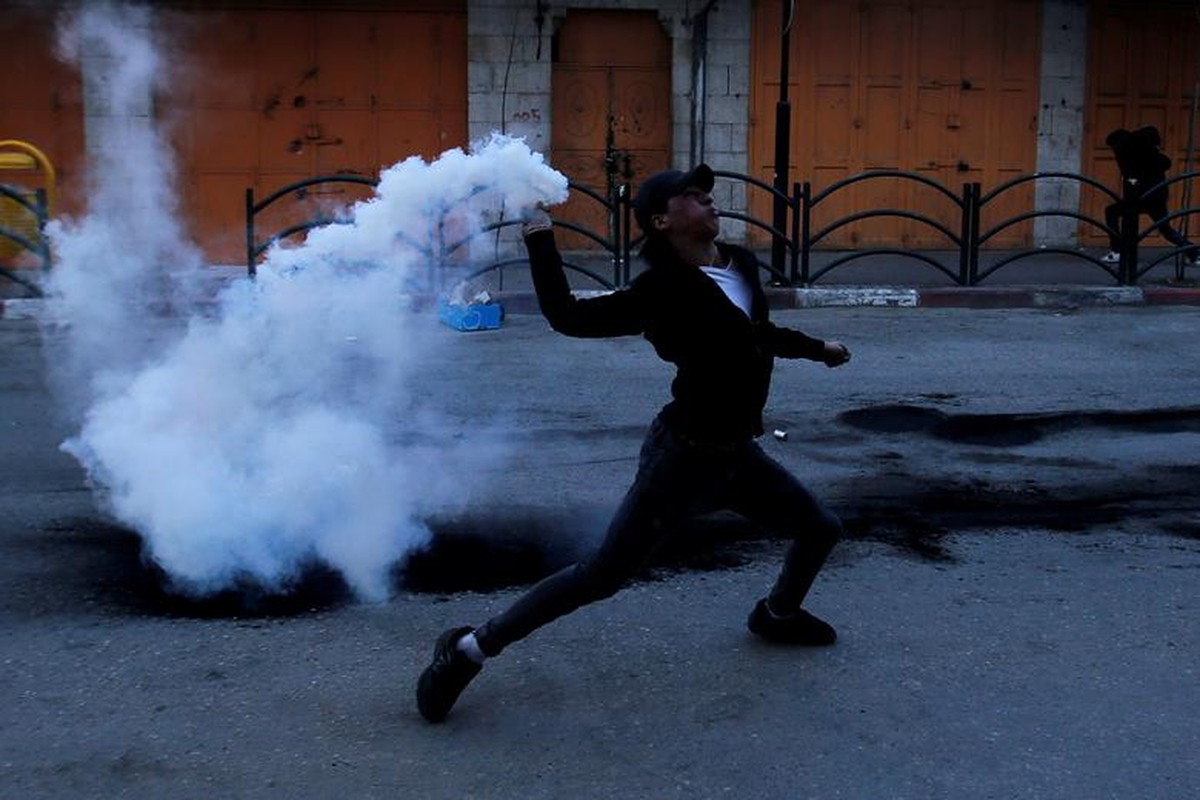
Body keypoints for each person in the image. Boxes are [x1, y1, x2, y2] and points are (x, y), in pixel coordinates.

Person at [416, 164, 852, 723]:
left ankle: (777, 615)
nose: (709, 203)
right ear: (662, 221)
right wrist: (539, 235)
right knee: (601, 576)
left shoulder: (739, 265)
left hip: (738, 456)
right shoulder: (663, 289)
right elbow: (568, 317)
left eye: (707, 195)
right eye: (692, 198)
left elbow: (756, 334)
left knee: (820, 529)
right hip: (684, 460)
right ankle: (467, 650)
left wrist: (819, 348)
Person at [1102, 125, 1199, 265]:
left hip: (1144, 196)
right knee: (1165, 229)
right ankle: (1194, 253)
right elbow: (1165, 163)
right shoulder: (1145, 151)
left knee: (1112, 212)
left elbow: (1130, 176)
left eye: (1112, 147)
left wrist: (1135, 184)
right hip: (1156, 195)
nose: (1112, 151)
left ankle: (1118, 251)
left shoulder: (1127, 154)